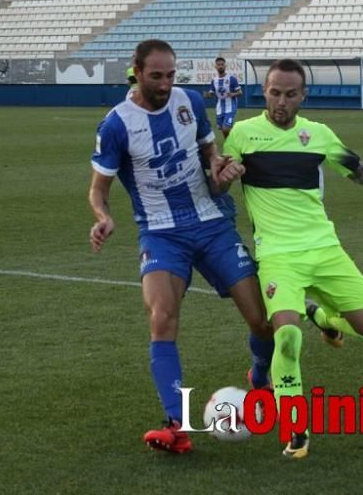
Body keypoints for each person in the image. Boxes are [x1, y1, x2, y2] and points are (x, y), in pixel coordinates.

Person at [216, 58, 363, 459]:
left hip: (325, 250)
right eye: (274, 92)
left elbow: (358, 171)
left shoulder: (317, 135)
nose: (281, 101)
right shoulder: (242, 135)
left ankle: (321, 317)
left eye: (290, 94)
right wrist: (223, 176)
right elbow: (215, 184)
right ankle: (296, 429)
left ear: (303, 95)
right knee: (286, 335)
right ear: (263, 91)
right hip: (277, 256)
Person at [88, 39, 274, 455]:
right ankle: (176, 424)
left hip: (211, 225)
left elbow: (209, 149)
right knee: (161, 318)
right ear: (136, 70)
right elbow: (98, 190)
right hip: (161, 234)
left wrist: (217, 166)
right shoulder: (116, 125)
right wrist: (104, 218)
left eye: (171, 74)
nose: (166, 83)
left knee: (262, 321)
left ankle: (259, 380)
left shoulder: (189, 101)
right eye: (157, 76)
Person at [204, 56, 243, 138]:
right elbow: (212, 93)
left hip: (230, 106)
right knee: (222, 129)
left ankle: (232, 141)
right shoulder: (214, 80)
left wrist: (232, 94)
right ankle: (229, 141)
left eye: (222, 64)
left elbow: (240, 92)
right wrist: (208, 94)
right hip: (219, 108)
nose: (220, 66)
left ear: (225, 66)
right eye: (218, 65)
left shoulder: (232, 79)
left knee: (225, 128)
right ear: (215, 66)